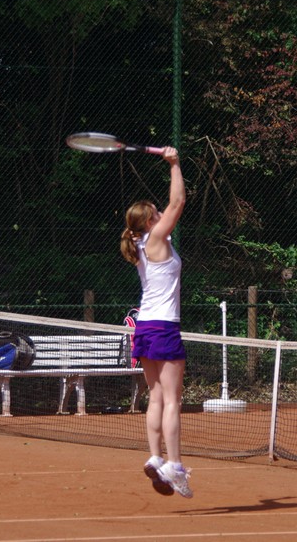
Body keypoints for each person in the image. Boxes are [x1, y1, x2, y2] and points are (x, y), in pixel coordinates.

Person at [119, 146, 192, 499]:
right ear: (150, 222)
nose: (162, 213)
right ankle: (174, 465)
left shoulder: (141, 244)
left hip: (145, 326)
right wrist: (174, 164)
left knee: (156, 397)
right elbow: (178, 202)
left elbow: (171, 206)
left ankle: (155, 456)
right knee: (173, 399)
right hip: (163, 327)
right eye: (156, 213)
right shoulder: (157, 239)